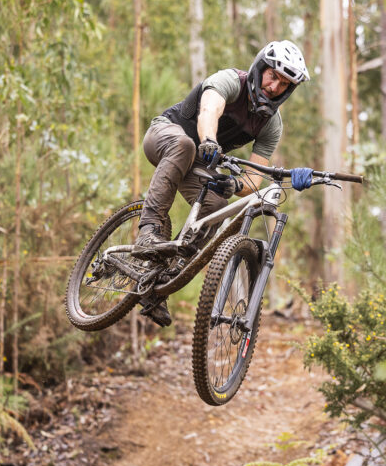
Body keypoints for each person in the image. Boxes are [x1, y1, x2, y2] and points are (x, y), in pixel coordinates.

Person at [132, 40, 311, 327]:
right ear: (260, 68)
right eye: (273, 76)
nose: (274, 87)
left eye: (284, 84)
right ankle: (148, 229)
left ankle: (159, 285)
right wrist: (209, 140)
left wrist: (235, 186)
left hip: (197, 162)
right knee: (185, 145)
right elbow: (209, 111)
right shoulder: (230, 81)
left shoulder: (271, 125)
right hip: (165, 136)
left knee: (217, 206)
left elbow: (254, 179)